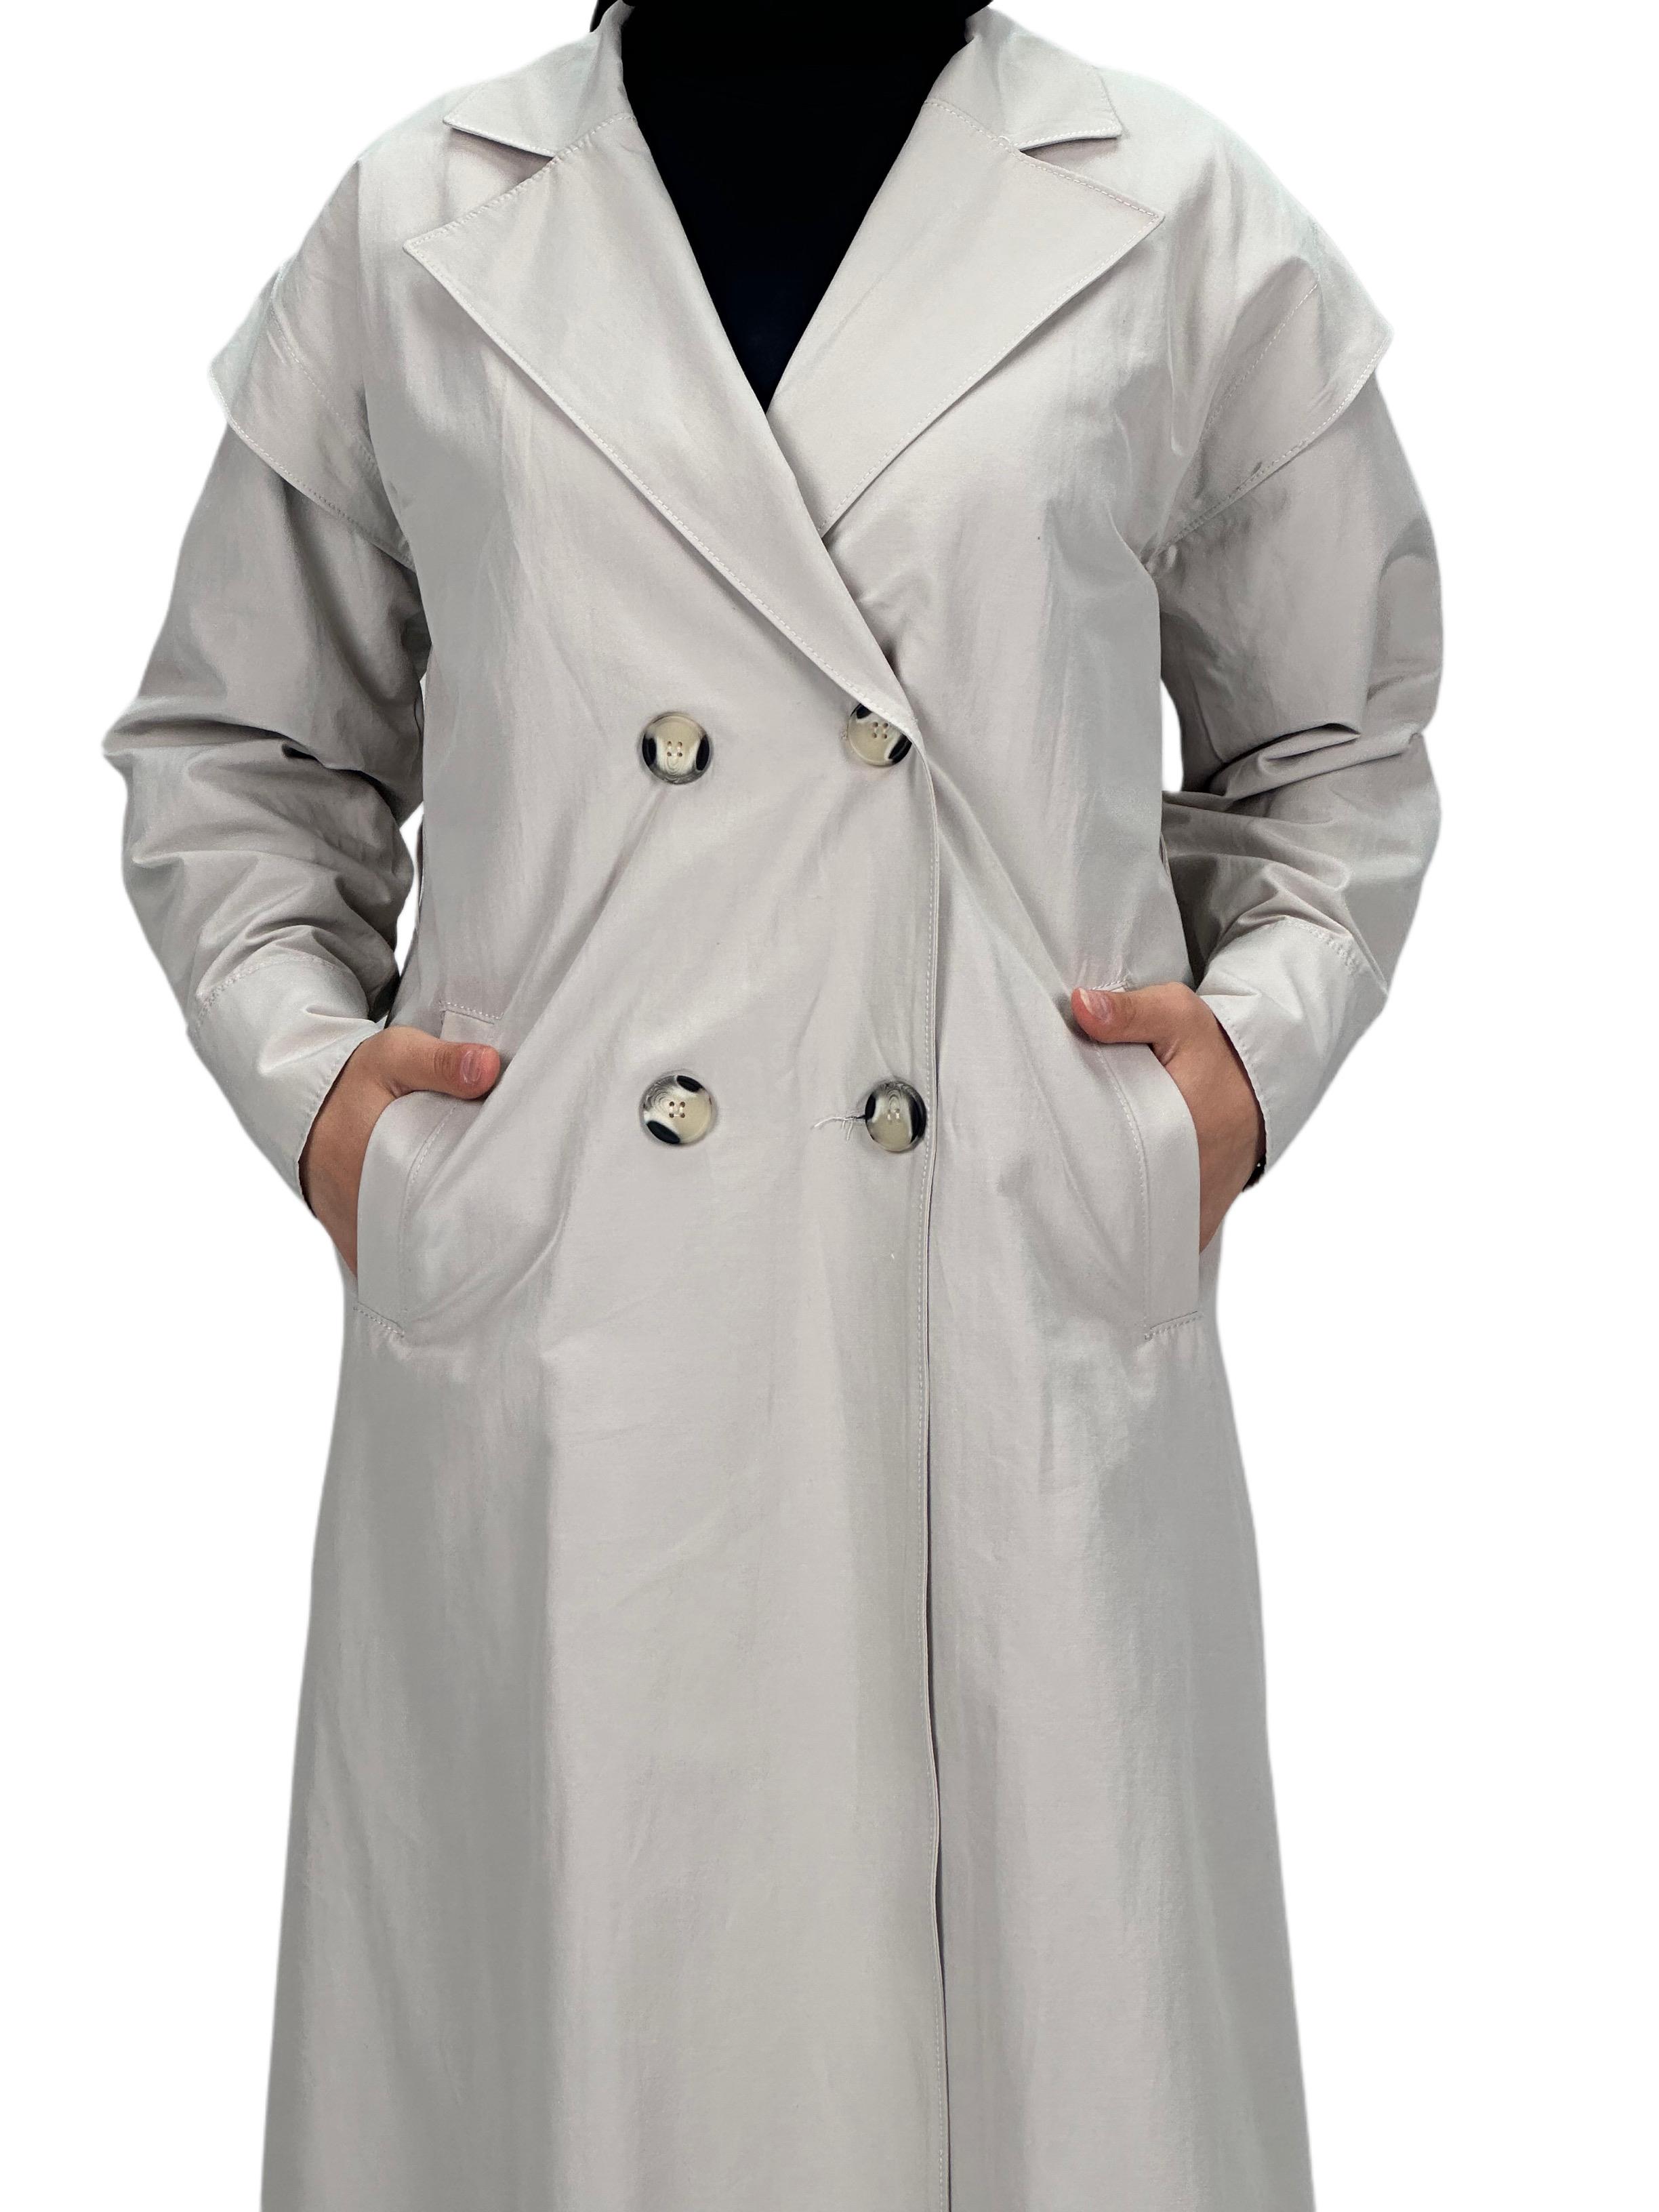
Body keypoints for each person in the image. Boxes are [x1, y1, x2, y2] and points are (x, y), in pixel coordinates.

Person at [104, 5, 1441, 2209]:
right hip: (565, 1336)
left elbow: (1337, 748)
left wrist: (1236, 1067)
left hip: (999, 1299)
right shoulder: (425, 220)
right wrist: (331, 1100)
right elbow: (237, 758)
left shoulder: (1171, 212)